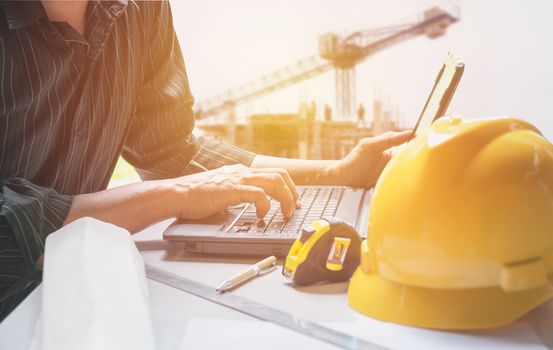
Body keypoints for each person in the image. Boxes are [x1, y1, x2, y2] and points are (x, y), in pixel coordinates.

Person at [0, 0, 411, 321]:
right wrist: (172, 196)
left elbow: (171, 149)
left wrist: (334, 173)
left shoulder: (142, 9)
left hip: (66, 297)